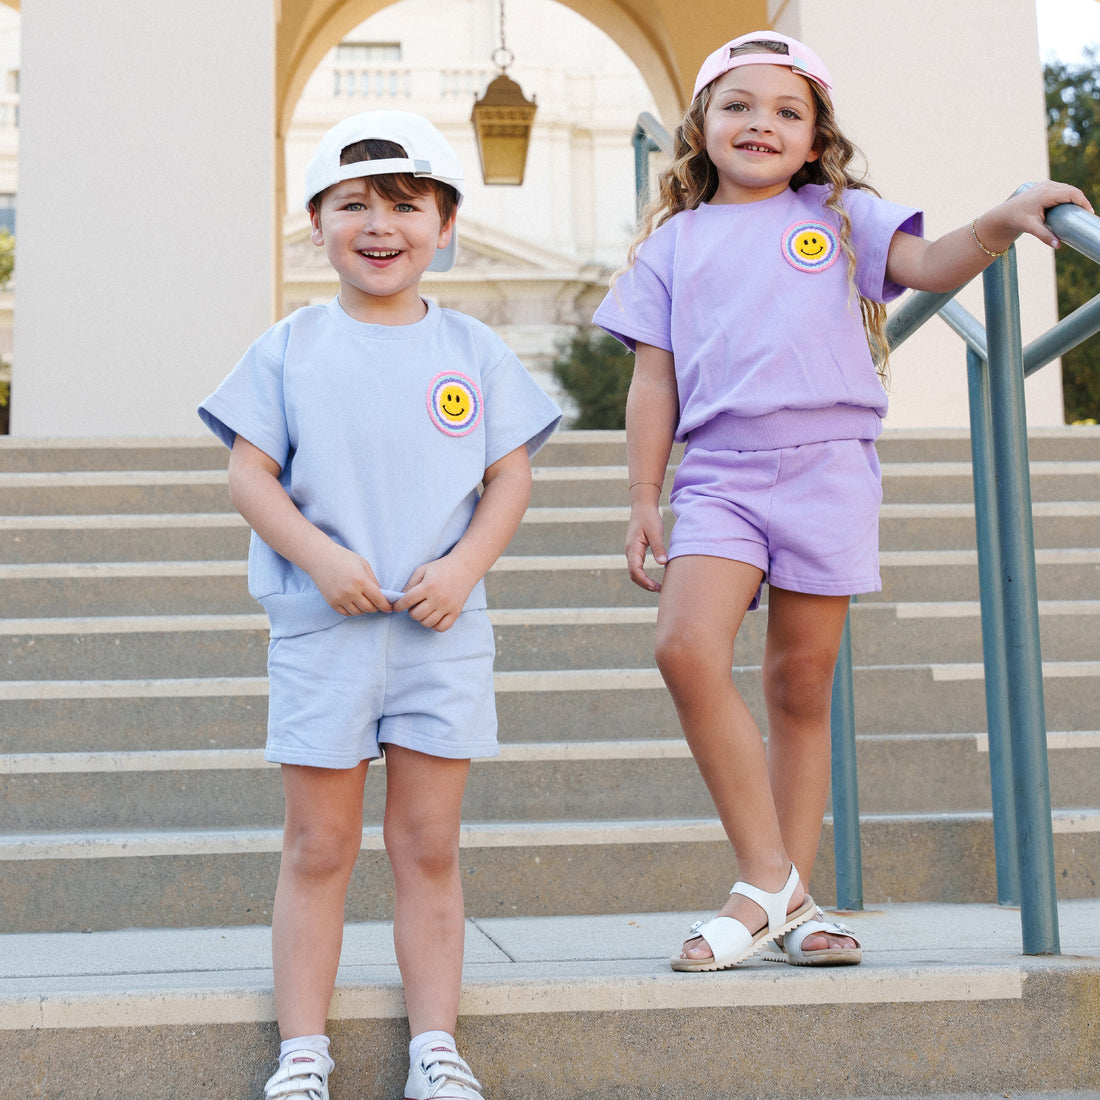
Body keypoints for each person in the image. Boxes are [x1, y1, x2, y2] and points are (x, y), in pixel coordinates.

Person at [593, 30, 1092, 973]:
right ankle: (771, 878)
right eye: (738, 104)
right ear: (700, 126)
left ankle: (791, 903)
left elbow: (934, 265)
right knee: (684, 646)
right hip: (722, 474)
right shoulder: (672, 247)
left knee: (798, 686)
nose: (761, 123)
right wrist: (640, 496)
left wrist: (1004, 216)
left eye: (789, 110)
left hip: (828, 466)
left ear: (818, 139)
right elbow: (652, 383)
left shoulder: (844, 213)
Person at [199, 110, 560, 1100]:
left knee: (427, 842)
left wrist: (462, 568)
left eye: (406, 203)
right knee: (318, 844)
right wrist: (318, 557)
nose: (379, 223)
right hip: (327, 633)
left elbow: (509, 480)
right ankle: (302, 1047)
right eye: (352, 202)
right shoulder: (289, 345)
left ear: (444, 226)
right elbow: (251, 476)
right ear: (316, 222)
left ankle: (435, 1042)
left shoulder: (473, 348)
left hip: (438, 634)